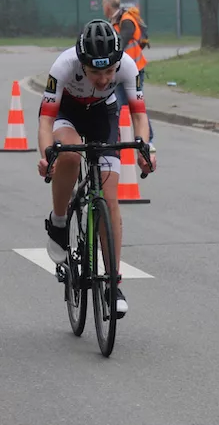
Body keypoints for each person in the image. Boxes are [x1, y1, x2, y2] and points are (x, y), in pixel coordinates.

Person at [38, 19, 156, 318]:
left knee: (109, 198)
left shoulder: (127, 65)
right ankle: (59, 221)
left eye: (109, 72)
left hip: (104, 114)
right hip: (67, 112)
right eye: (94, 73)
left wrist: (146, 149)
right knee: (69, 155)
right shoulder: (63, 65)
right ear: (82, 64)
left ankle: (113, 285)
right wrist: (47, 157)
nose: (103, 79)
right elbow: (46, 120)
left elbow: (139, 115)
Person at [102, 0, 155, 151]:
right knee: (120, 104)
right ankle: (115, 139)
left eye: (103, 6)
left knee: (133, 105)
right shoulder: (116, 21)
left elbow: (121, 42)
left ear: (107, 7)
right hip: (121, 71)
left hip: (134, 70)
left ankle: (147, 140)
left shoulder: (126, 20)